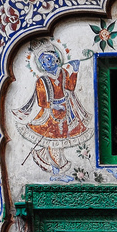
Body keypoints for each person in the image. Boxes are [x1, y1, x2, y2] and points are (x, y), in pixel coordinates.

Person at [14, 44, 91, 181]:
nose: (47, 63)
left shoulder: (63, 73)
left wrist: (75, 71)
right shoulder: (42, 80)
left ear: (56, 58)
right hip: (50, 115)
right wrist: (55, 105)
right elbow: (42, 101)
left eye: (49, 59)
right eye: (44, 62)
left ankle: (53, 168)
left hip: (65, 112)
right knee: (53, 142)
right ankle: (57, 173)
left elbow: (70, 88)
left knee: (59, 143)